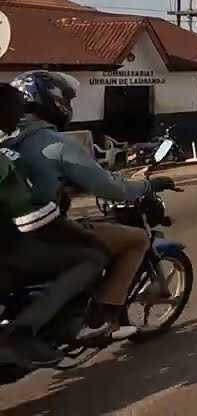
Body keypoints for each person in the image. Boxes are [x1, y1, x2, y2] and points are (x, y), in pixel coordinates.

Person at [5, 71, 175, 343]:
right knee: (133, 240)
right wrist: (148, 186)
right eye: (65, 99)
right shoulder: (55, 143)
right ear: (52, 102)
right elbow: (111, 187)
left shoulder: (6, 138)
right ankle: (100, 320)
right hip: (36, 231)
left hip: (8, 229)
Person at [0, 84, 112, 366]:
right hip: (8, 247)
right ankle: (22, 331)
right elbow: (31, 220)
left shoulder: (10, 148)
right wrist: (83, 236)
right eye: (15, 109)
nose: (19, 115)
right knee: (92, 257)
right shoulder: (4, 160)